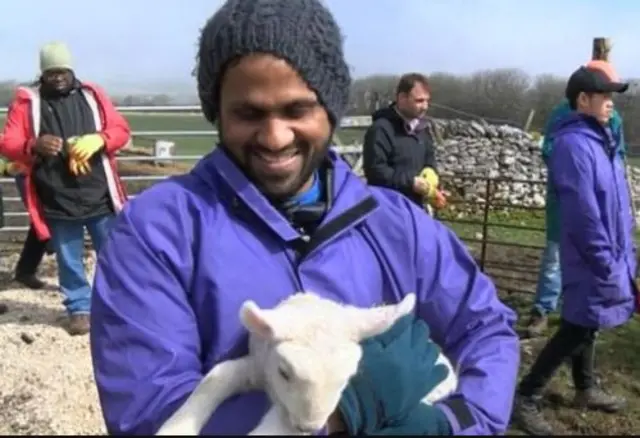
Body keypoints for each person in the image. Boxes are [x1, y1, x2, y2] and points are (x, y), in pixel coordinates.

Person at [89, 0, 520, 435]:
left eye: (297, 110)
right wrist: (336, 418)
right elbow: (150, 409)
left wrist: (450, 424)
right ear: (216, 111)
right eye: (248, 113)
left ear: (329, 110)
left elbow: (484, 328)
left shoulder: (397, 224)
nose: (275, 137)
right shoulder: (156, 233)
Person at [514, 61, 637, 435]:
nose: (612, 103)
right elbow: (584, 213)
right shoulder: (574, 145)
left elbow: (615, 204)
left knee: (588, 323)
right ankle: (526, 396)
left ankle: (584, 387)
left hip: (609, 255)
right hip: (591, 257)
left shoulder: (602, 141)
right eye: (605, 96)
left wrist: (624, 256)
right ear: (583, 99)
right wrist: (605, 262)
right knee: (577, 328)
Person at [0, 42, 130, 335]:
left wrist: (100, 140)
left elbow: (121, 130)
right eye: (51, 72)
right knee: (69, 257)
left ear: (72, 71)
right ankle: (79, 308)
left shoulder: (93, 95)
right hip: (56, 194)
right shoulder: (27, 102)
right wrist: (33, 144)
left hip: (99, 192)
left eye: (62, 71)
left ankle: (120, 304)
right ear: (42, 74)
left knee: (113, 253)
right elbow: (8, 142)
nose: (57, 77)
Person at [526, 96, 626, 337]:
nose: (608, 100)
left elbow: (618, 154)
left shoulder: (612, 117)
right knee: (554, 258)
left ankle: (585, 313)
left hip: (597, 201)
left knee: (592, 256)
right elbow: (549, 148)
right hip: (566, 198)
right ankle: (543, 311)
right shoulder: (561, 113)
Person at [362, 73, 439, 209]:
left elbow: (429, 160)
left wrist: (432, 182)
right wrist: (411, 183)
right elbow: (375, 172)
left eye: (427, 101)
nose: (425, 106)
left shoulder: (422, 129)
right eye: (419, 101)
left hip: (416, 209)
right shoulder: (381, 129)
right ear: (402, 98)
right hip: (388, 209)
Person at [5, 161, 54, 289]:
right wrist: (7, 165)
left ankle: (26, 271)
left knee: (43, 222)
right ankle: (26, 271)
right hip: (27, 170)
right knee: (41, 221)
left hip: (55, 171)